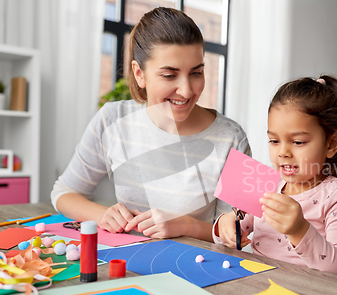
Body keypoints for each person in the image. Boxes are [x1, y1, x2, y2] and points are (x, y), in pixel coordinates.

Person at [51, 7, 250, 242]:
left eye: (196, 72)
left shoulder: (234, 137)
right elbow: (63, 193)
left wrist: (186, 225)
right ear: (139, 74)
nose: (187, 90)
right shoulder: (112, 119)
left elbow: (243, 234)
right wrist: (104, 214)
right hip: (126, 261)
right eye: (169, 75)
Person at [213, 76, 337, 278]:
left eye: (297, 142)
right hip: (257, 287)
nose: (283, 152)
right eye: (274, 141)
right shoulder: (264, 181)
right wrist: (224, 227)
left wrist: (299, 230)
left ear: (331, 144)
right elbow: (232, 229)